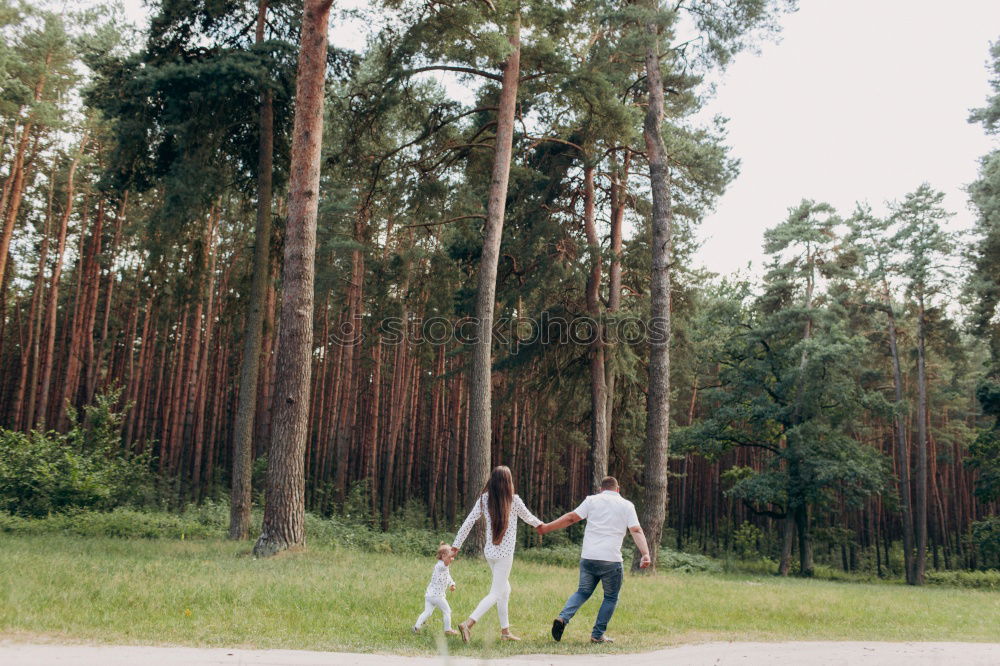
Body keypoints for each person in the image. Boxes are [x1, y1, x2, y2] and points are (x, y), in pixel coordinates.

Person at [536, 475, 651, 644]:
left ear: (601, 489)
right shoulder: (627, 505)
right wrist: (645, 553)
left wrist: (546, 528)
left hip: (588, 558)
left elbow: (571, 518)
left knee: (582, 592)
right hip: (611, 560)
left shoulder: (592, 500)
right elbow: (636, 530)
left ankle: (563, 618)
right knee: (611, 597)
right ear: (617, 490)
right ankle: (597, 635)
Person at [451, 465, 542, 642]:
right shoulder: (514, 500)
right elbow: (530, 518)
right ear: (509, 482)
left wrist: (456, 545)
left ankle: (505, 632)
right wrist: (545, 527)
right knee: (496, 593)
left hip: (490, 553)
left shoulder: (484, 499)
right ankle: (468, 624)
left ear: (492, 481)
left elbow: (468, 522)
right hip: (504, 554)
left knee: (505, 590)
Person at [413, 542, 460, 636]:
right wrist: (451, 555)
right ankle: (448, 629)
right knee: (447, 611)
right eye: (450, 557)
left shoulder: (443, 567)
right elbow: (446, 564)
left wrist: (452, 584)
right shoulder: (440, 565)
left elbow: (448, 576)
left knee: (428, 612)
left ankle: (416, 627)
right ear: (443, 556)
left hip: (429, 595)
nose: (452, 559)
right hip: (437, 596)